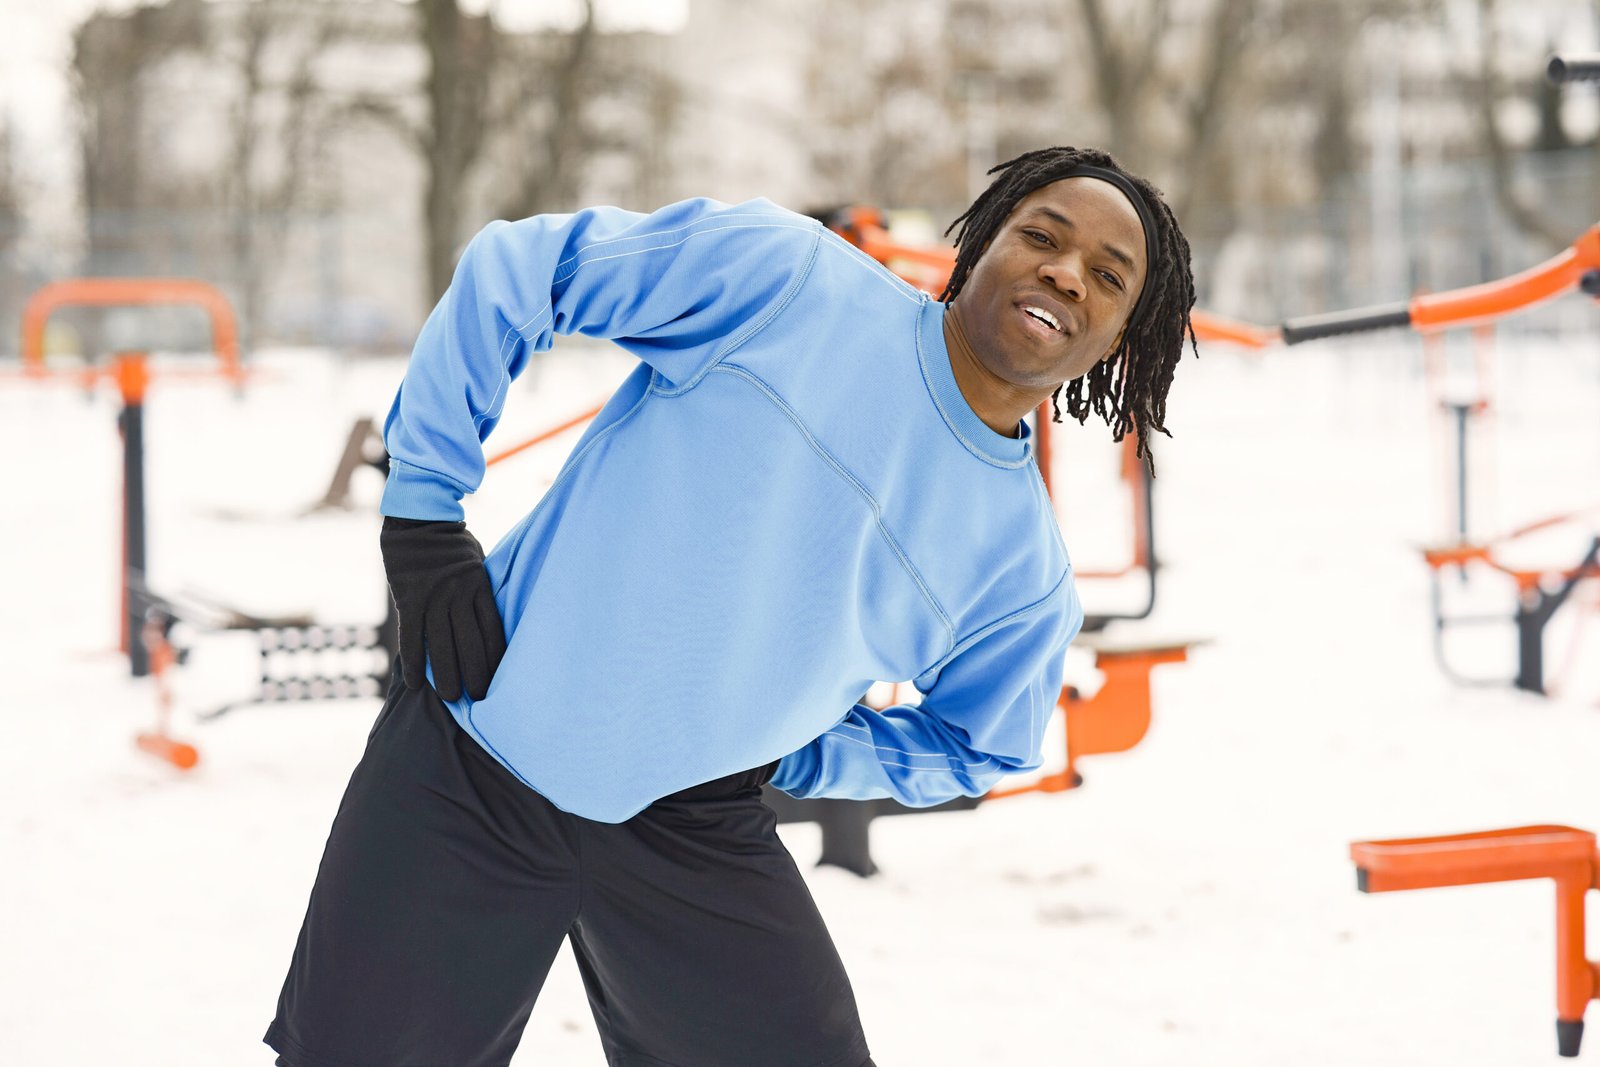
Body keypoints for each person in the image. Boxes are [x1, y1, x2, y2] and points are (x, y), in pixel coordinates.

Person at [265, 145, 1196, 1067]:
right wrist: (425, 507)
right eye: (1043, 234)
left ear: (1118, 336)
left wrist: (794, 747)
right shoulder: (788, 282)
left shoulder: (1020, 573)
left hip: (692, 828)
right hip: (481, 749)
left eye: (1107, 276)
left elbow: (978, 743)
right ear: (983, 243)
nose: (1065, 272)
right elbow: (524, 269)